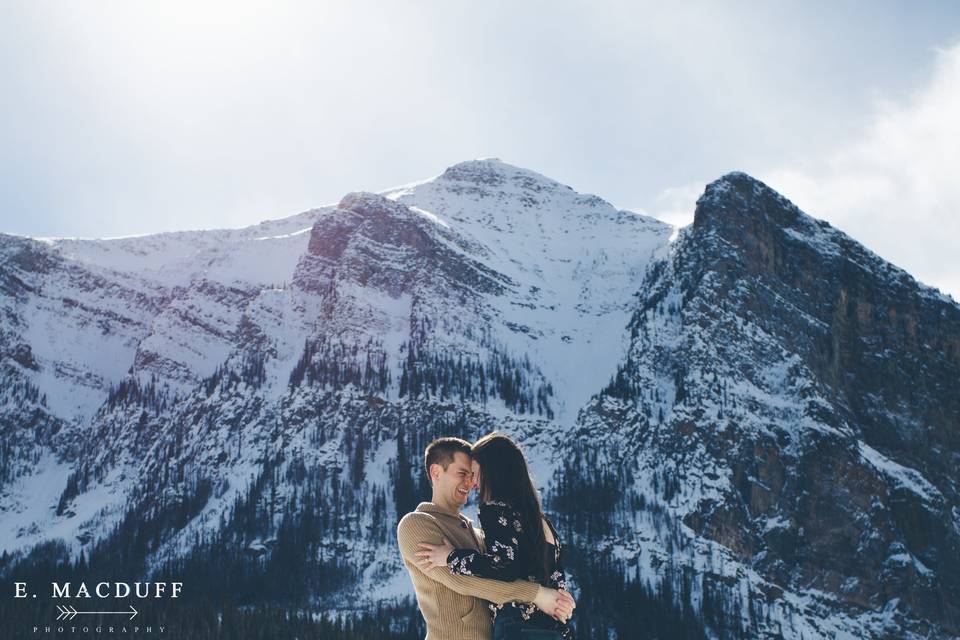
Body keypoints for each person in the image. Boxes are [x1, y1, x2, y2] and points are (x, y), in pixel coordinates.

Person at [397, 437, 575, 640]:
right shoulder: (417, 524)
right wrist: (539, 594)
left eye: (473, 474)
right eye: (463, 474)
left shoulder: (482, 531)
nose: (470, 483)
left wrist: (558, 600)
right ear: (436, 472)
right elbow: (462, 580)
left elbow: (501, 570)